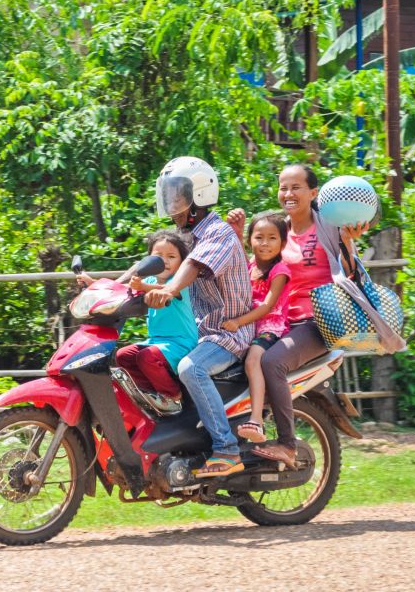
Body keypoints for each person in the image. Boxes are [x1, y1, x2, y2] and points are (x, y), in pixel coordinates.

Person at [226, 165, 404, 468]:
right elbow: (255, 272)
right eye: (283, 187)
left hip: (317, 322)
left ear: (313, 193)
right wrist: (237, 233)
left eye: (296, 187)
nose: (288, 194)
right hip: (279, 322)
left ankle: (287, 445)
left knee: (272, 362)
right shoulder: (279, 230)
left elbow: (350, 273)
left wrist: (348, 241)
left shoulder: (329, 228)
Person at [144, 157, 254, 478]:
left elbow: (191, 266)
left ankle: (226, 448)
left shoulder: (216, 233)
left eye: (178, 195)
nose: (172, 204)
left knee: (190, 368)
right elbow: (156, 266)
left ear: (200, 195)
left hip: (228, 332)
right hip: (203, 333)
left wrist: (170, 289)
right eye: (169, 195)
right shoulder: (190, 236)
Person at [87, 230, 198, 401]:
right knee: (123, 356)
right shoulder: (150, 281)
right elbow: (122, 290)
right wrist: (93, 285)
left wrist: (142, 286)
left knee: (146, 357)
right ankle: (150, 395)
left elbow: (167, 290)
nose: (165, 261)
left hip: (180, 343)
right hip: (156, 342)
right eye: (158, 256)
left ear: (182, 262)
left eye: (171, 257)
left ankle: (172, 396)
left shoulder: (179, 283)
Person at [220, 211, 291, 443]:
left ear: (283, 243)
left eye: (272, 238)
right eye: (259, 237)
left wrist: (238, 322)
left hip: (269, 327)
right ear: (251, 240)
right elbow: (238, 260)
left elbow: (268, 306)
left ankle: (256, 419)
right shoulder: (250, 266)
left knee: (252, 361)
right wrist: (237, 232)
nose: (265, 243)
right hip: (250, 326)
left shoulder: (280, 271)